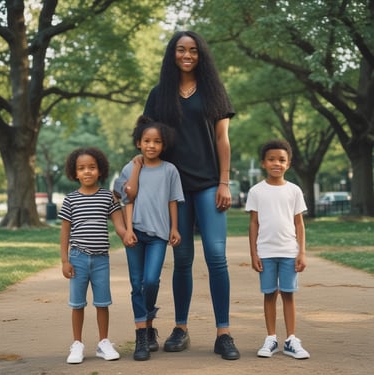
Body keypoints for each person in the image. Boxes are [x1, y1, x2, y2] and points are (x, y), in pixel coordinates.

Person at [143, 30, 240, 360]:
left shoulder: (213, 91)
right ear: (172, 54)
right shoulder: (159, 95)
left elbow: (223, 140)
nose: (187, 55)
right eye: (181, 50)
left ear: (201, 55)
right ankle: (181, 328)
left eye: (194, 50)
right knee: (182, 260)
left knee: (216, 258)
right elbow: (147, 138)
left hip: (211, 184)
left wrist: (225, 182)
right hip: (174, 190)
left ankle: (223, 333)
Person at [114, 115, 184, 361]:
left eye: (157, 142)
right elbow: (128, 197)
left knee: (151, 281)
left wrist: (174, 228)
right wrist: (136, 167)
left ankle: (149, 321)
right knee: (137, 283)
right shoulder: (129, 167)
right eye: (147, 141)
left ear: (163, 145)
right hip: (135, 234)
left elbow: (173, 201)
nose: (151, 145)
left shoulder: (170, 170)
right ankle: (142, 336)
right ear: (138, 143)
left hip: (158, 236)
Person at [59, 147, 126, 364]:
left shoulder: (107, 197)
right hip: (77, 258)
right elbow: (65, 232)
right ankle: (77, 344)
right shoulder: (70, 200)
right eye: (81, 168)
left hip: (100, 260)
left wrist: (126, 235)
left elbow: (118, 223)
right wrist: (65, 260)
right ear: (74, 173)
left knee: (102, 302)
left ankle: (103, 343)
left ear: (100, 170)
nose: (87, 171)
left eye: (92, 167)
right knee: (77, 304)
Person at [245, 139, 310, 360]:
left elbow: (299, 224)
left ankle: (291, 339)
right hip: (266, 253)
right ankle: (271, 338)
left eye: (281, 160)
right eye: (271, 159)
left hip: (289, 252)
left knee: (289, 294)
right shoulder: (256, 191)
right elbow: (254, 223)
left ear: (288, 164)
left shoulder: (294, 191)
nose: (276, 163)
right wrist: (254, 253)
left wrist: (301, 252)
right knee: (270, 294)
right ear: (263, 163)